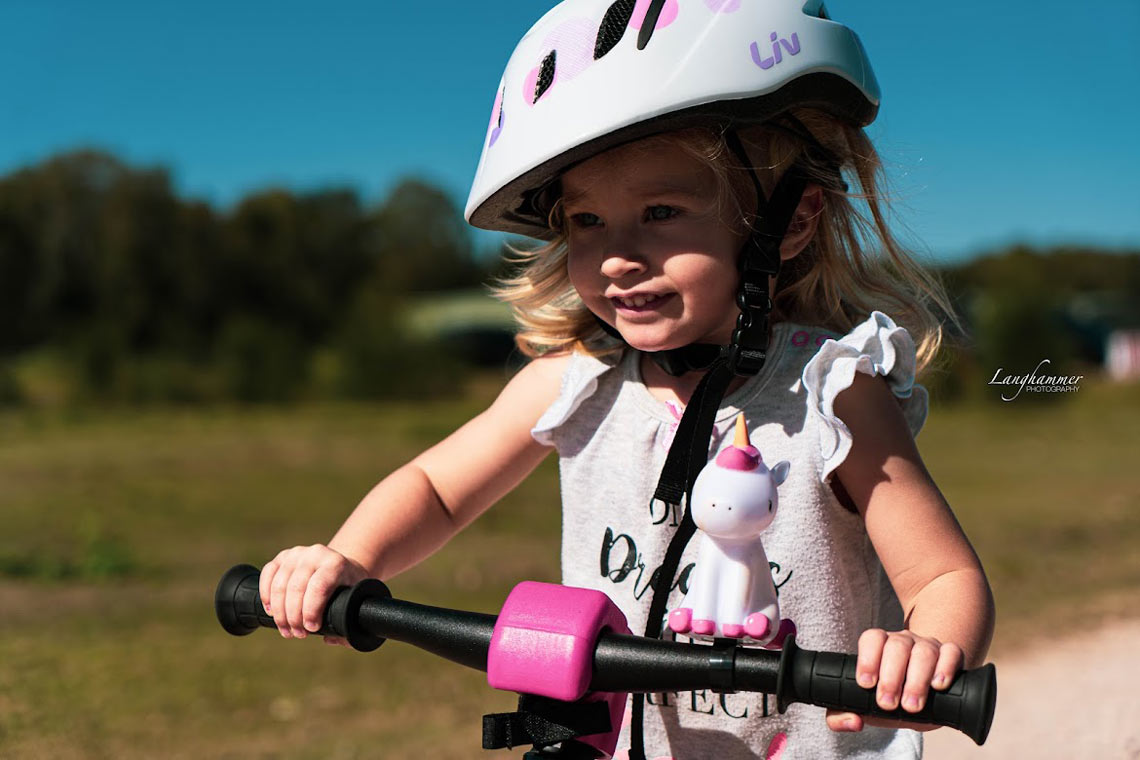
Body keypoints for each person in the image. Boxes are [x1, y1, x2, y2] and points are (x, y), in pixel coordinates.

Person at [260, 1, 995, 758]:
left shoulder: (832, 394)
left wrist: (929, 650)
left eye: (661, 211)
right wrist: (348, 560)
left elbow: (941, 574)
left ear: (792, 220)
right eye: (587, 222)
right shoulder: (575, 384)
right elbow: (437, 488)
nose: (617, 256)